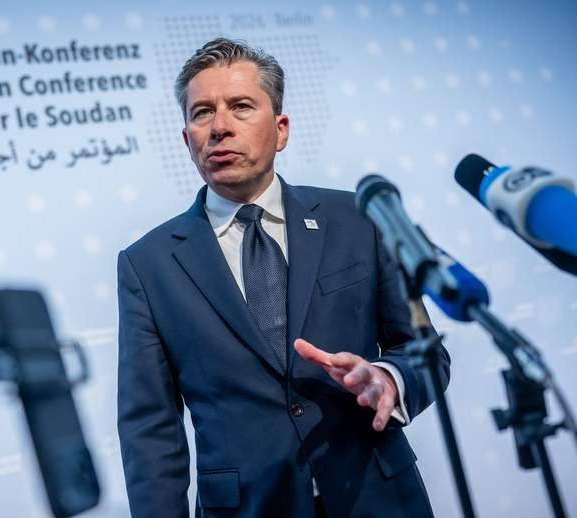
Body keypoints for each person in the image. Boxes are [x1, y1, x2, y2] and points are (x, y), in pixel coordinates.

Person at [116, 38, 450, 518]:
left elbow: (425, 352)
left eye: (241, 106)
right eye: (203, 112)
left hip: (377, 497)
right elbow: (150, 431)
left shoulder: (357, 219)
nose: (220, 127)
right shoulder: (149, 265)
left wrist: (389, 380)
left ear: (281, 129)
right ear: (187, 139)